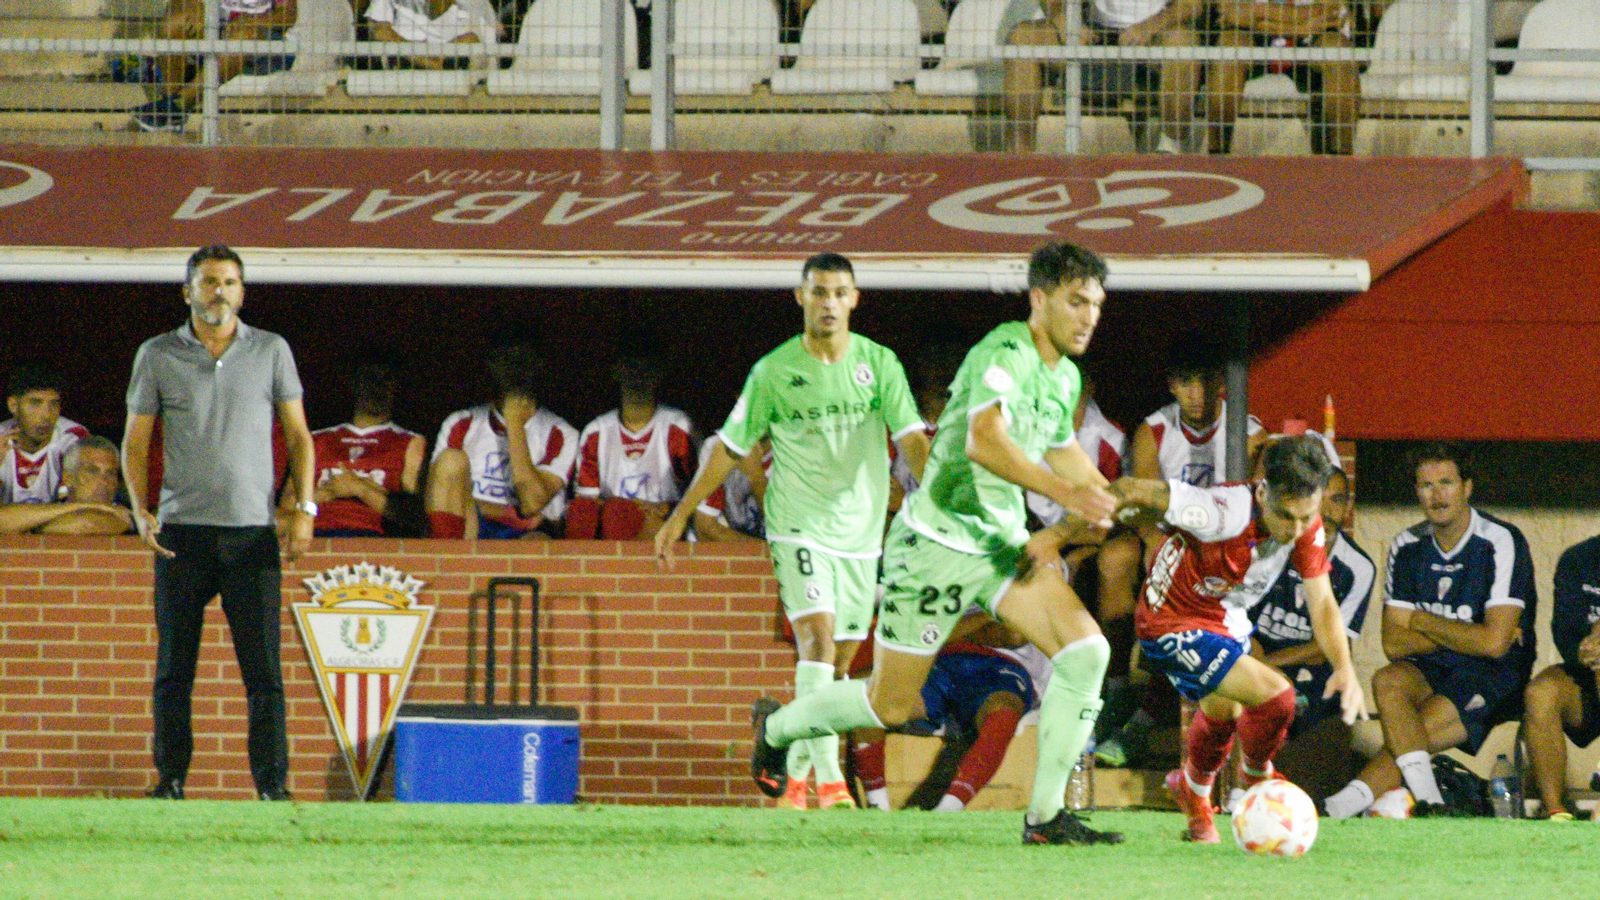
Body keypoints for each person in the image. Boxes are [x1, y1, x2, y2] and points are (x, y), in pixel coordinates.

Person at [743, 242, 1127, 846]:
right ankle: (779, 729)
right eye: (1076, 302)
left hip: (999, 545)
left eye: (1097, 305)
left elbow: (1058, 447)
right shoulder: (1004, 351)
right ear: (1038, 299)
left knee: (1087, 654)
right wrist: (1066, 494)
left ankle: (1045, 818)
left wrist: (1102, 491)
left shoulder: (1065, 376)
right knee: (890, 706)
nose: (1088, 317)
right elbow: (983, 441)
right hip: (935, 545)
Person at [656, 252, 931, 812]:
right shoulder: (774, 371)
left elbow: (912, 440)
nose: (829, 303)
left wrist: (942, 504)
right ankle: (831, 785)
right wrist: (681, 513)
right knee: (818, 643)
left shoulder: (879, 364)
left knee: (840, 667)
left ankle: (786, 751)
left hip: (861, 534)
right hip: (798, 526)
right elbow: (731, 447)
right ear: (800, 298)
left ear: (854, 300)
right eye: (819, 292)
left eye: (839, 293)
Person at [122, 244, 316, 801]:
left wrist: (303, 511)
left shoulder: (271, 350)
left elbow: (300, 437)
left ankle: (273, 788)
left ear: (243, 292)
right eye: (208, 283)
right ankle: (171, 780)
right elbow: (137, 440)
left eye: (229, 283)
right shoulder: (157, 353)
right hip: (182, 533)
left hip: (251, 533)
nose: (219, 293)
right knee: (173, 669)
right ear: (187, 291)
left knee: (264, 674)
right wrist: (141, 509)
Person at [1110, 434, 1365, 842]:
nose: (1296, 529)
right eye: (1285, 516)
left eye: (1307, 516)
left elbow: (1322, 601)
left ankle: (1193, 796)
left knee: (1223, 712)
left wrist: (1345, 668)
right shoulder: (1219, 511)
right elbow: (1129, 490)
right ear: (1263, 491)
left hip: (1224, 616)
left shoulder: (1303, 521)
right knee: (1277, 697)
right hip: (1171, 619)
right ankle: (1258, 774)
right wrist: (1068, 528)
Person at [1323, 444, 1536, 819]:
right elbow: (1393, 643)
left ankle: (1339, 807)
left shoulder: (1500, 541)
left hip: (1494, 675)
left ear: (1466, 487)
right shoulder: (1406, 546)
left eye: (1446, 483)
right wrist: (1468, 631)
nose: (1436, 495)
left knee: (1414, 732)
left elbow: (1493, 644)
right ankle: (1430, 803)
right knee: (1388, 679)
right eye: (1425, 485)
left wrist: (1421, 620)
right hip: (1433, 667)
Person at [1094, 329, 1266, 768]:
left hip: (1222, 548)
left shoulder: (1247, 432)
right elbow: (1138, 502)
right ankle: (1116, 688)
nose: (1196, 394)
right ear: (1172, 385)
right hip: (1167, 538)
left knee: (1195, 595)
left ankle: (1147, 717)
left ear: (1221, 384)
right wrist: (1157, 544)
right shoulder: (1155, 430)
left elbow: (1245, 507)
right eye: (1186, 383)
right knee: (1116, 558)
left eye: (1206, 382)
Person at [1241, 456, 1373, 806]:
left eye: (1338, 500)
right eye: (1322, 499)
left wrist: (1273, 661)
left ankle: (1320, 807)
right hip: (1259, 663)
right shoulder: (1275, 545)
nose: (1329, 512)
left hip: (1314, 677)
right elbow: (1240, 617)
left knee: (1317, 764)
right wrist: (1259, 660)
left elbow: (1332, 643)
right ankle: (1239, 795)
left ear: (1349, 505)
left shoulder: (1358, 566)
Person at [853, 618, 1050, 812]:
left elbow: (1012, 635)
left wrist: (952, 629)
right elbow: (919, 631)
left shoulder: (1017, 585)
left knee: (1003, 710)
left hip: (1003, 665)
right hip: (937, 660)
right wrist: (987, 619)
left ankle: (949, 808)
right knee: (870, 696)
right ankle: (877, 805)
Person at [425, 339, 578, 540]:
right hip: (472, 524)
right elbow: (436, 498)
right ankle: (445, 565)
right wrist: (505, 513)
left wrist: (514, 422)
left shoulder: (561, 432)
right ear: (491, 365)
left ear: (539, 365)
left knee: (536, 544)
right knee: (451, 460)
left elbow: (531, 502)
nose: (515, 368)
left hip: (529, 534)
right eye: (506, 359)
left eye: (524, 359)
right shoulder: (461, 422)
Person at [1002, 0, 1203, 153]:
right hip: (1094, 31)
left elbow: (1194, 4)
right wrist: (1065, 21)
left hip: (1155, 34)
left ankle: (1170, 146)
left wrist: (1150, 26)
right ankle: (1022, 152)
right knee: (1023, 37)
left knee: (1184, 41)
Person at [567, 345, 696, 541]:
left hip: (666, 523)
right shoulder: (597, 432)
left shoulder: (679, 427)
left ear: (659, 374)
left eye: (646, 368)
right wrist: (631, 507)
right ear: (616, 372)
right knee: (610, 514)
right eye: (631, 367)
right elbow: (586, 505)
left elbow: (702, 496)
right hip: (613, 521)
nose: (638, 376)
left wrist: (666, 508)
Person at [289, 355, 425, 538]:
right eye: (369, 379)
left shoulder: (410, 442)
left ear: (396, 387)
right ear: (354, 385)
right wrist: (326, 493)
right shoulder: (316, 439)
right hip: (315, 535)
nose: (376, 387)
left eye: (385, 380)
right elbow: (287, 506)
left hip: (375, 538)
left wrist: (360, 489)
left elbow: (414, 519)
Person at [1205, 0, 1361, 156]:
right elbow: (1232, 14)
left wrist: (1259, 13)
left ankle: (1341, 158)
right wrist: (1303, 25)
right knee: (1230, 48)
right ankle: (1217, 155)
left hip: (1310, 39)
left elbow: (1331, 12)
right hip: (1253, 37)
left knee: (1340, 52)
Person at [131, 0, 299, 132]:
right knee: (177, 22)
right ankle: (169, 108)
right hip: (219, 34)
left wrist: (251, 21)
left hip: (266, 45)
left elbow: (288, 15)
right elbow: (178, 5)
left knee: (244, 35)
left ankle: (178, 104)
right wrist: (192, 9)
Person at [1524, 533, 1600, 820]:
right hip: (1588, 673)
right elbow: (1565, 633)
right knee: (1540, 692)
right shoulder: (1579, 559)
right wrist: (1589, 648)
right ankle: (1557, 812)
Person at [0, 435, 133, 536]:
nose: (104, 481)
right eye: (92, 471)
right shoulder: (49, 505)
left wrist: (25, 526)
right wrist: (85, 505)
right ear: (68, 478)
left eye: (110, 473)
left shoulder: (123, 514)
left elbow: (87, 524)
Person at [2, 363, 89, 506]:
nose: (47, 415)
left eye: (54, 404)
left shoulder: (74, 439)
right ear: (13, 405)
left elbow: (82, 511)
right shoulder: (1, 440)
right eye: (35, 403)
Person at [365, 0, 498, 70]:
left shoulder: (477, 3)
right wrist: (429, 62)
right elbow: (380, 32)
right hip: (404, 65)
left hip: (455, 68)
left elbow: (475, 40)